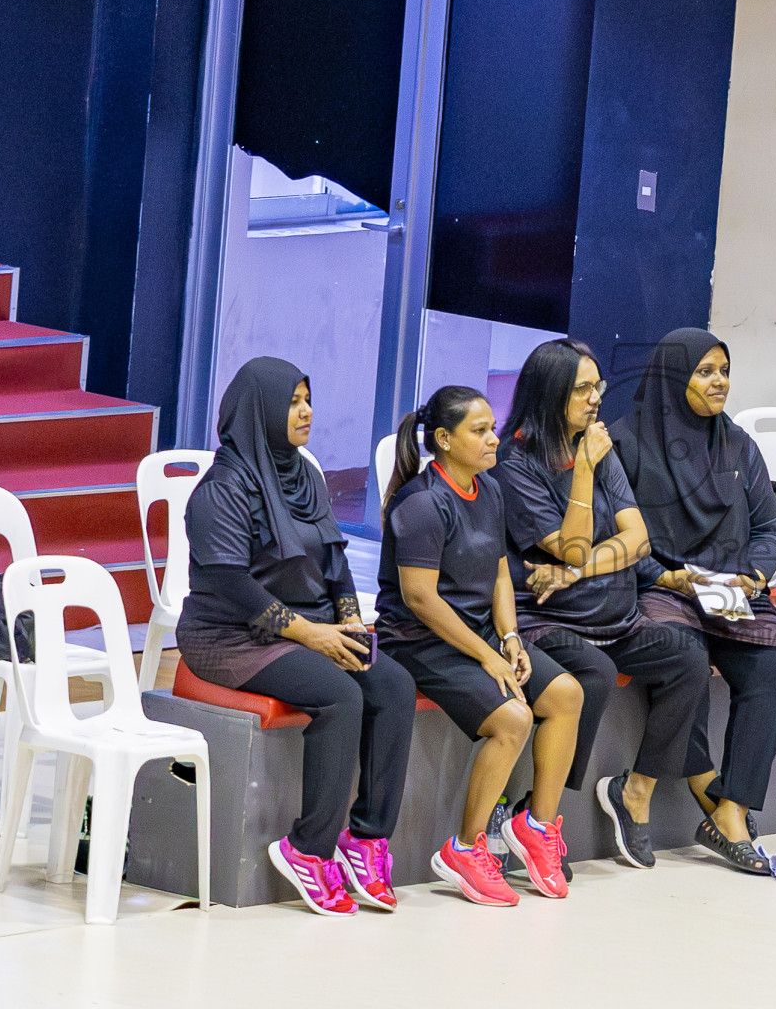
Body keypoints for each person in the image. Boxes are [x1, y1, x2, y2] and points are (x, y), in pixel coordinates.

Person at [178, 356, 418, 917]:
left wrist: (349, 620)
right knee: (340, 695)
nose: (307, 411)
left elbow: (335, 561)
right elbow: (231, 585)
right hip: (232, 636)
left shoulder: (305, 475)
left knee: (394, 685)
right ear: (259, 410)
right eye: (293, 402)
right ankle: (308, 848)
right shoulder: (220, 490)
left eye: (308, 399)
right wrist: (312, 634)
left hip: (311, 625)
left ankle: (366, 839)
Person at [492, 339, 709, 869]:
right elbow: (571, 542)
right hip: (549, 619)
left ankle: (633, 792)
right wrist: (585, 471)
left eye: (598, 386)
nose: (596, 399)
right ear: (550, 394)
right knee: (594, 673)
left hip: (615, 615)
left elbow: (637, 540)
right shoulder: (516, 463)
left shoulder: (595, 445)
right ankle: (539, 814)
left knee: (687, 657)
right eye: (583, 389)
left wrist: (574, 571)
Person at [375, 386, 584, 906]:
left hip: (479, 633)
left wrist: (509, 638)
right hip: (419, 640)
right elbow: (420, 599)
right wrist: (487, 655)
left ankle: (536, 827)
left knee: (566, 694)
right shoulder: (421, 503)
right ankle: (466, 849)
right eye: (480, 431)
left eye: (492, 428)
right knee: (512, 719)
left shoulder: (488, 489)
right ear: (444, 440)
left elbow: (499, 573)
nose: (494, 439)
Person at [611, 328, 776, 876]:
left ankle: (732, 809)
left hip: (729, 586)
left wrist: (755, 575)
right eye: (705, 372)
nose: (720, 382)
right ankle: (704, 789)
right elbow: (612, 538)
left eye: (724, 371)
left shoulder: (737, 444)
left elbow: (770, 525)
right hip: (661, 585)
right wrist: (664, 575)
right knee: (683, 655)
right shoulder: (626, 444)